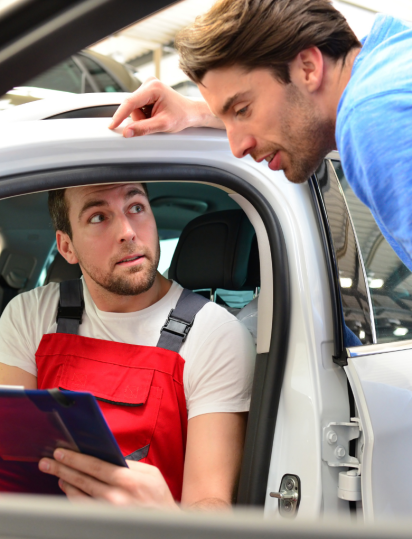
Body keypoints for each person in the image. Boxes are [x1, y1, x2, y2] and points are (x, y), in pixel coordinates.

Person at [0, 182, 255, 509]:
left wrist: (167, 518)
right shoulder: (30, 314)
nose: (127, 231)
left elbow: (210, 503)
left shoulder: (215, 334)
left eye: (136, 207)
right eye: (97, 217)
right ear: (66, 247)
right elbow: (14, 463)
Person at [109, 0, 412, 273]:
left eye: (241, 110)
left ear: (308, 67)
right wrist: (199, 113)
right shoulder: (391, 60)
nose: (237, 148)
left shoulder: (374, 117)